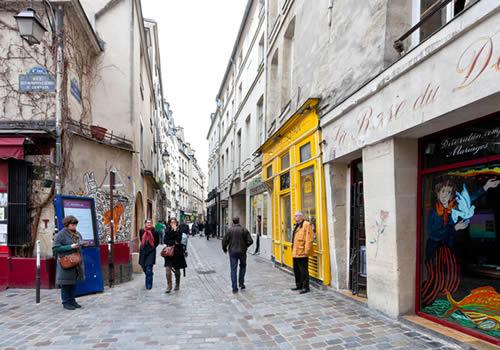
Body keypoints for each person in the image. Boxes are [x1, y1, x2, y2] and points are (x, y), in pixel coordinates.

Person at [53, 215, 85, 310]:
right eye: (73, 225)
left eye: (75, 225)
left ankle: (72, 300)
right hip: (66, 262)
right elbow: (55, 248)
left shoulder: (77, 233)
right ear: (67, 224)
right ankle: (66, 302)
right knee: (65, 283)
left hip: (75, 261)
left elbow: (80, 243)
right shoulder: (61, 234)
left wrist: (82, 244)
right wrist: (70, 247)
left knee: (73, 283)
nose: (75, 227)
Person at [222, 217, 253, 293]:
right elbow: (250, 241)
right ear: (239, 221)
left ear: (233, 222)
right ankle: (241, 283)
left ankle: (234, 287)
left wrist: (224, 249)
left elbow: (224, 241)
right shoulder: (244, 229)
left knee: (233, 269)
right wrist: (245, 246)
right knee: (243, 266)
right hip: (242, 252)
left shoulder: (230, 230)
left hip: (232, 252)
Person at [291, 211, 314, 294]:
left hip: (302, 252)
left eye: (296, 216)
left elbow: (309, 239)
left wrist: (306, 251)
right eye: (294, 216)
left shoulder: (306, 224)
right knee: (296, 270)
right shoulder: (297, 225)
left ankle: (305, 287)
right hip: (295, 251)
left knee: (303, 271)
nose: (295, 218)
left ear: (301, 216)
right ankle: (299, 285)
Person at [163, 218, 187, 293]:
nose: (173, 223)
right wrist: (174, 242)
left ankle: (177, 284)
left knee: (177, 270)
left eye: (174, 222)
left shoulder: (179, 230)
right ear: (169, 223)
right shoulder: (167, 230)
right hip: (169, 252)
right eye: (171, 222)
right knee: (167, 269)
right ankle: (169, 286)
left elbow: (179, 240)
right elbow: (165, 240)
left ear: (176, 223)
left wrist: (175, 231)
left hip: (177, 252)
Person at [138, 219, 161, 290]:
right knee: (143, 267)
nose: (149, 224)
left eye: (150, 223)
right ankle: (150, 274)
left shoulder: (155, 232)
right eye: (147, 222)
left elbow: (157, 241)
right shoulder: (142, 231)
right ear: (145, 224)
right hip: (143, 251)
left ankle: (148, 285)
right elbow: (141, 240)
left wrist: (152, 247)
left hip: (151, 251)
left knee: (148, 268)